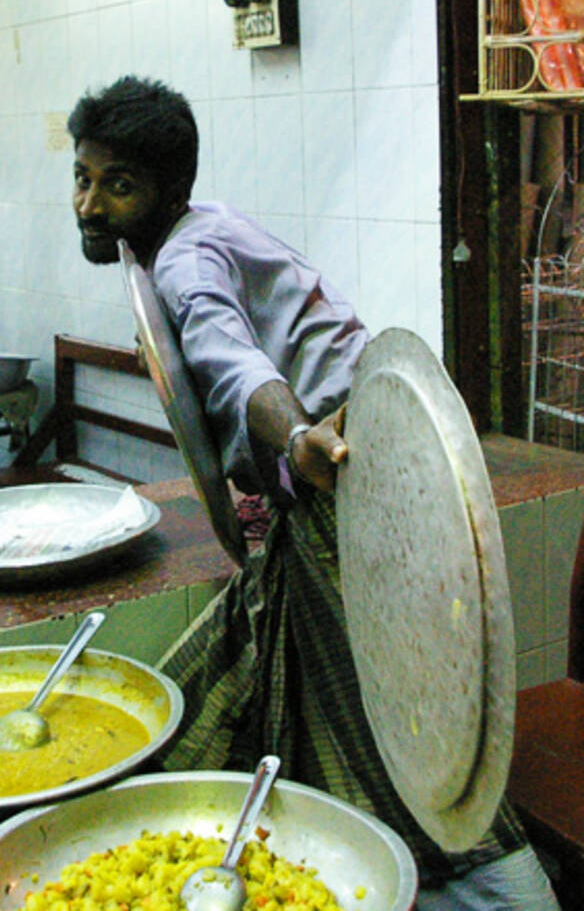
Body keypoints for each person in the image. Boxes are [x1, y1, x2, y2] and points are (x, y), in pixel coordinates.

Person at [68, 75, 559, 910]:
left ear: (169, 190)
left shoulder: (185, 258)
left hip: (344, 489)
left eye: (118, 186)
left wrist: (295, 436)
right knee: (245, 682)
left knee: (407, 757)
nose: (90, 203)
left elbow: (232, 361)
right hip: (330, 483)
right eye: (83, 178)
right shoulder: (200, 226)